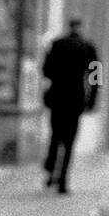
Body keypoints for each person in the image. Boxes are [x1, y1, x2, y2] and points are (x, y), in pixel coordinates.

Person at [41, 18, 100, 196]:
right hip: (75, 99)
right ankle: (63, 181)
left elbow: (46, 70)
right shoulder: (88, 47)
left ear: (68, 27)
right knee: (69, 140)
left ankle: (51, 169)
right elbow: (96, 75)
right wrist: (92, 99)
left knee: (55, 134)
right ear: (80, 28)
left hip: (57, 97)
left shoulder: (56, 45)